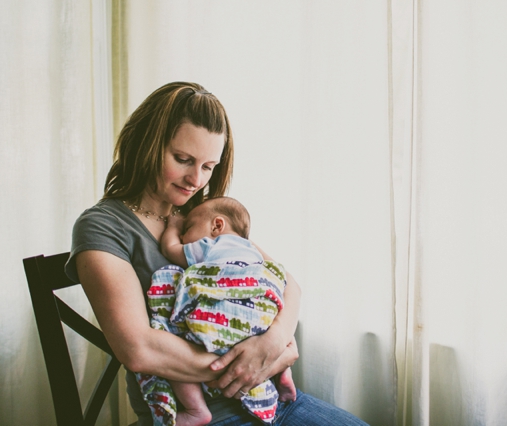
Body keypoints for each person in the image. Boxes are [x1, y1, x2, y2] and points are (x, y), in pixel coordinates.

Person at [66, 82, 368, 425]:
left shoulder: (204, 214)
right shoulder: (102, 226)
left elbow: (287, 284)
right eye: (183, 160)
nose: (196, 179)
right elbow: (138, 349)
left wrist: (274, 341)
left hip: (269, 399)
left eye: (208, 166)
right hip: (196, 414)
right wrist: (251, 366)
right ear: (146, 145)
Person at [139, 196, 295, 425]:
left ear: (217, 225)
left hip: (219, 326)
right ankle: (283, 377)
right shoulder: (251, 250)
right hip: (257, 321)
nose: (184, 237)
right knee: (264, 336)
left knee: (172, 335)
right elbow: (283, 281)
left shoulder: (210, 246)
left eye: (189, 228)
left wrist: (174, 226)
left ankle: (195, 410)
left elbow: (171, 249)